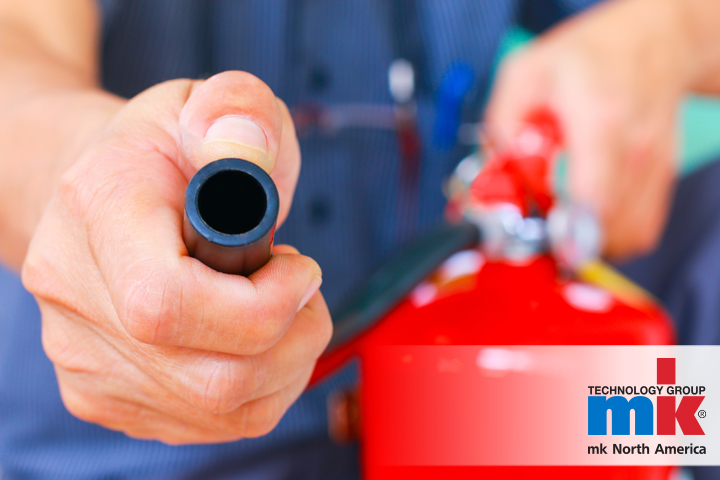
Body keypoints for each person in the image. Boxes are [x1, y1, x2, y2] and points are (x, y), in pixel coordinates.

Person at [0, 0, 719, 478]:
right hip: (142, 453)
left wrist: (665, 36)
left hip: (454, 402)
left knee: (675, 406)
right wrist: (85, 172)